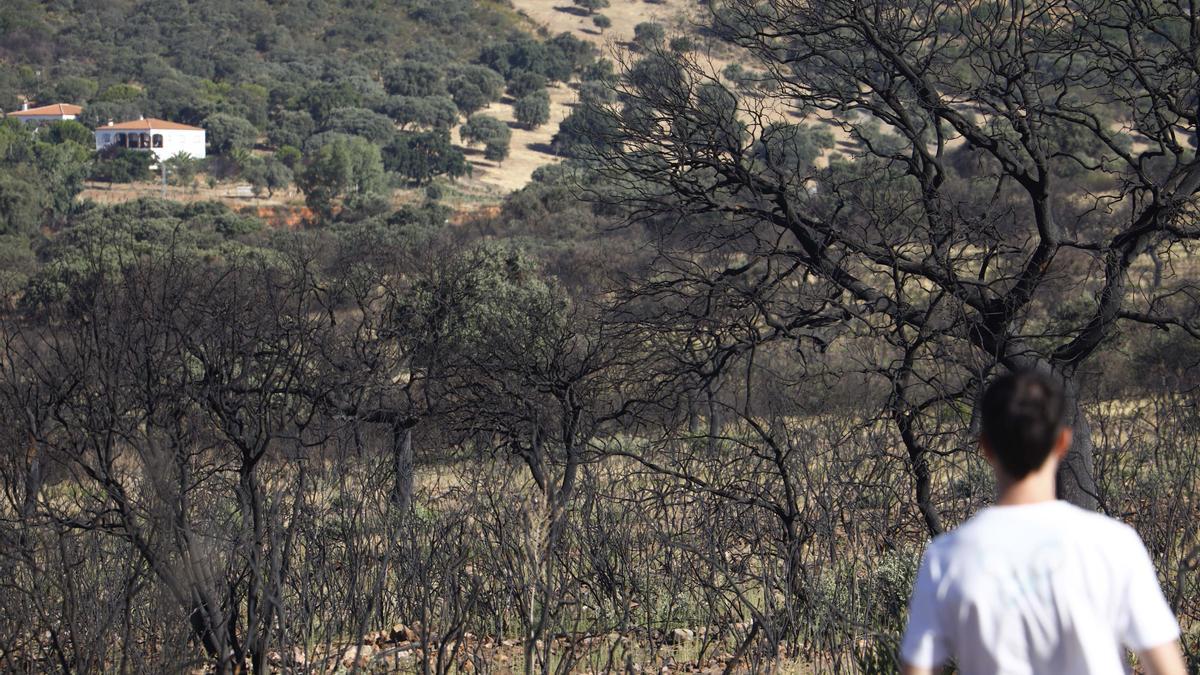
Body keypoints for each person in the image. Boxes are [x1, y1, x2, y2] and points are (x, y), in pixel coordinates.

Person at [900, 370, 1186, 675]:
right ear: (1063, 442)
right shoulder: (1115, 544)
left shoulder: (946, 557)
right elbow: (1167, 667)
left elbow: (917, 667)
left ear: (985, 447)